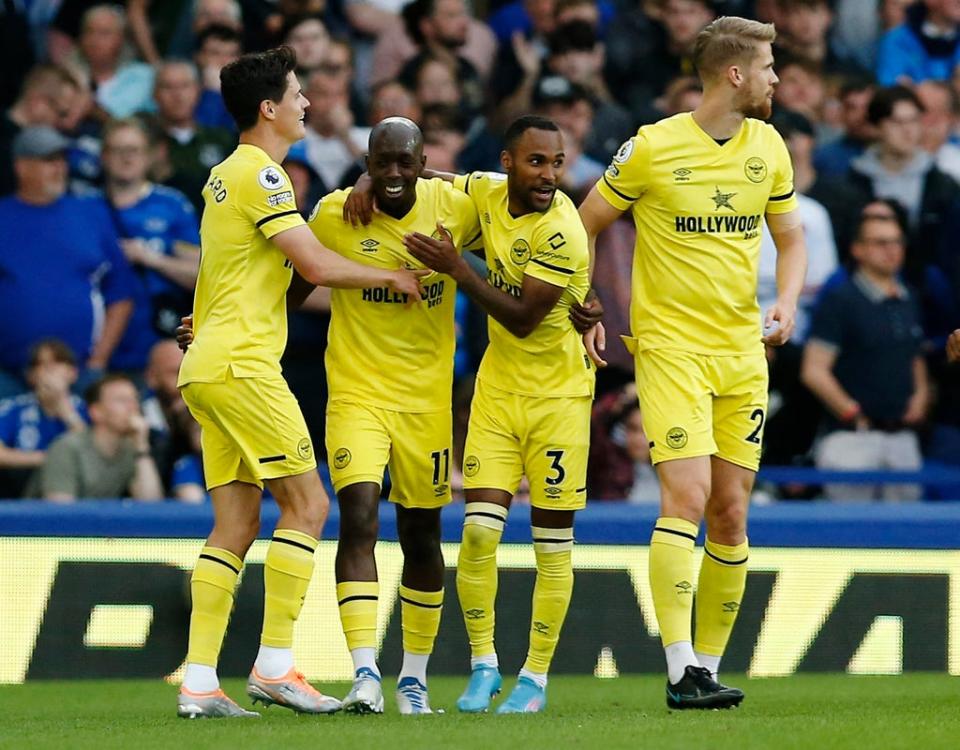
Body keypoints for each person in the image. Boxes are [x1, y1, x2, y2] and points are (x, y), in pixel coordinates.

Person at [174, 45, 425, 719]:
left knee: (235, 521)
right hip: (243, 365)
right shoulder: (265, 176)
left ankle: (198, 682)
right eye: (296, 93)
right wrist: (391, 276)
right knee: (309, 508)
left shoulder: (224, 176)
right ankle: (275, 666)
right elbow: (312, 264)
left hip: (207, 365)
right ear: (269, 108)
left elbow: (246, 276)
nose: (306, 103)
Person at [577, 16, 807, 708]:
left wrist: (788, 302)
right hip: (672, 349)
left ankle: (707, 666)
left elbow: (791, 241)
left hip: (743, 353)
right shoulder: (651, 147)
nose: (775, 78)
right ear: (734, 74)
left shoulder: (768, 147)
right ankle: (679, 669)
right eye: (767, 65)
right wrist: (586, 303)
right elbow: (585, 221)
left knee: (732, 513)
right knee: (686, 499)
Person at [398, 115, 597, 714]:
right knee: (479, 531)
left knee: (551, 544)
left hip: (560, 399)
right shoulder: (487, 190)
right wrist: (367, 183)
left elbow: (521, 317)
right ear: (508, 163)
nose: (550, 175)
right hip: (498, 393)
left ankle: (534, 678)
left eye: (557, 163)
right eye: (537, 162)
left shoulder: (563, 230)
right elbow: (435, 176)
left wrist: (460, 268)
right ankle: (485, 664)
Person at [308, 118, 480, 715]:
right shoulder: (334, 214)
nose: (395, 175)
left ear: (424, 160)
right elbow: (282, 274)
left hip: (426, 402)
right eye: (383, 163)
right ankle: (363, 674)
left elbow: (513, 212)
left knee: (421, 535)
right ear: (367, 160)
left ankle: (413, 677)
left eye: (408, 162)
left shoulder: (452, 206)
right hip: (356, 392)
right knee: (357, 517)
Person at [0, 125, 135, 400]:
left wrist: (98, 360)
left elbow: (121, 294)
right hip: (7, 375)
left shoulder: (91, 215)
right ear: (22, 167)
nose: (59, 168)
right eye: (49, 161)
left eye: (62, 160)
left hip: (81, 374)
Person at [801, 213, 928, 501]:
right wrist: (850, 412)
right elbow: (814, 369)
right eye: (881, 242)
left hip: (902, 435)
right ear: (857, 249)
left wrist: (920, 396)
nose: (892, 249)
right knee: (850, 534)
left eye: (897, 242)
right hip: (851, 439)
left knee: (909, 534)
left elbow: (913, 354)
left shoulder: (908, 297)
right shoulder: (840, 299)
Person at [31, 374, 163, 502]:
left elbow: (150, 503)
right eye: (122, 400)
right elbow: (59, 513)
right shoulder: (66, 448)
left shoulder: (130, 448)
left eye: (135, 399)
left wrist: (141, 446)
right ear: (96, 412)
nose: (133, 407)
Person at [0, 339, 87, 499]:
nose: (49, 368)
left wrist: (66, 411)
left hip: (77, 492)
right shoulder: (12, 408)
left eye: (58, 361)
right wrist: (49, 459)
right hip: (18, 489)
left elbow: (92, 455)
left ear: (73, 373)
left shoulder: (89, 409)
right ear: (31, 375)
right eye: (41, 363)